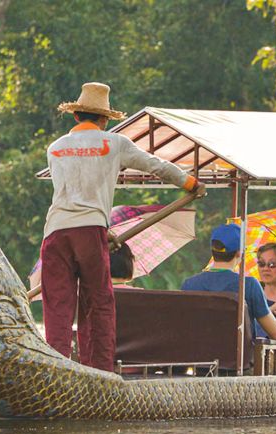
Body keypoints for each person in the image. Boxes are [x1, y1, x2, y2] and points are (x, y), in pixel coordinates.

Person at [42, 82, 206, 372]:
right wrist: (191, 183)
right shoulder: (113, 143)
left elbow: (73, 193)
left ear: (76, 116)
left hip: (55, 232)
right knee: (99, 303)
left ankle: (57, 369)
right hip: (89, 231)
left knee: (57, 305)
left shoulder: (55, 148)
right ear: (105, 119)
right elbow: (156, 165)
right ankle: (99, 370)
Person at [182, 224, 276, 374]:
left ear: (213, 250)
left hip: (200, 365)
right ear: (239, 253)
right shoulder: (248, 284)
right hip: (240, 367)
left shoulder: (189, 284)